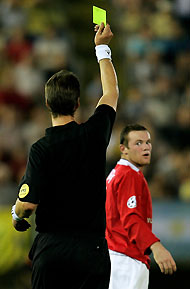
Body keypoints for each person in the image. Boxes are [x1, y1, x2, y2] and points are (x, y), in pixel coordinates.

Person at [11, 22, 119, 289]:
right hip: (92, 250)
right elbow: (111, 93)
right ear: (78, 103)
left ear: (47, 104)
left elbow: (27, 206)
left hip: (53, 250)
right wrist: (102, 48)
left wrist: (16, 214)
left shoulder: (41, 149)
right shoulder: (94, 134)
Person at [106, 124, 177, 289]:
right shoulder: (129, 175)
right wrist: (156, 247)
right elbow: (131, 218)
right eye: (138, 143)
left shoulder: (116, 173)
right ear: (123, 149)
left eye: (148, 142)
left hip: (115, 256)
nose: (146, 147)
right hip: (127, 260)